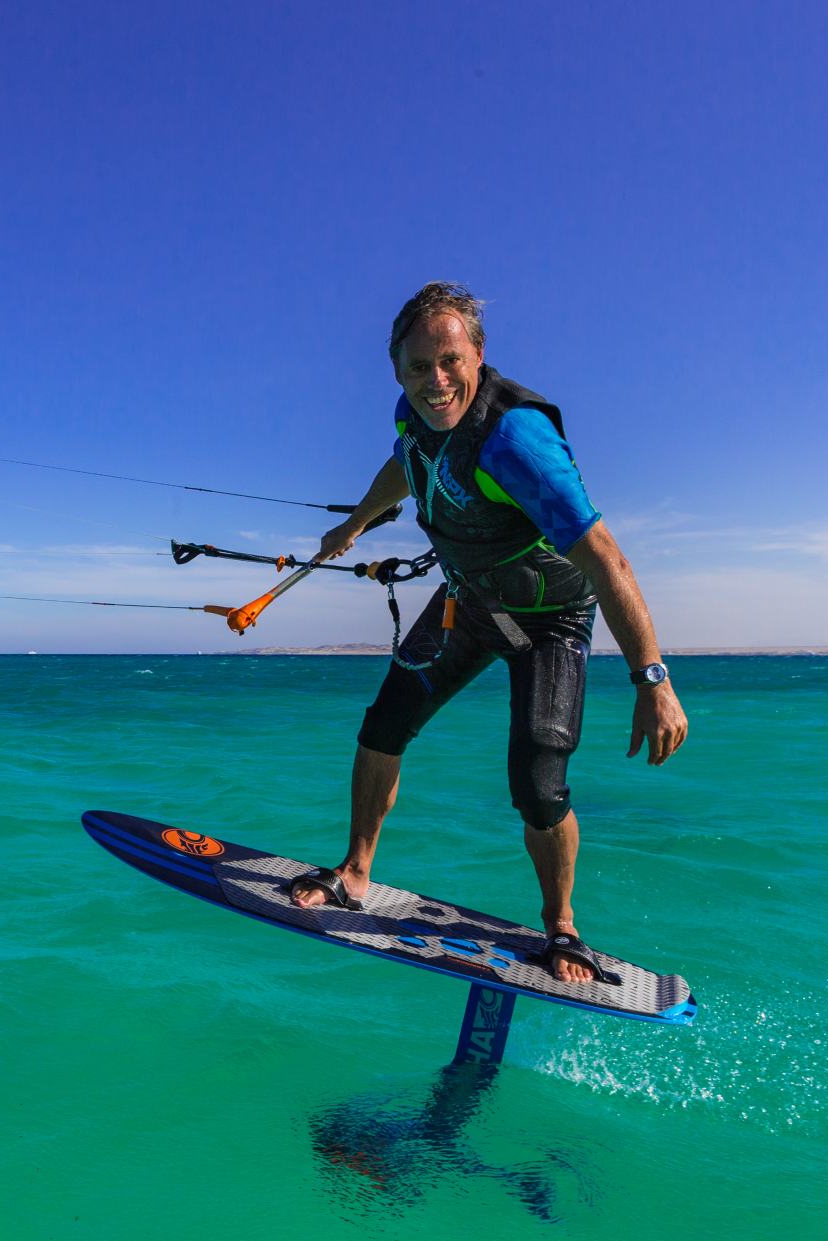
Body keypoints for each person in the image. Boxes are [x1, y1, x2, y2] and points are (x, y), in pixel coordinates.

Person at [289, 282, 688, 985]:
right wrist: (356, 521)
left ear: (478, 354)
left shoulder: (516, 441)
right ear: (396, 371)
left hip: (549, 622)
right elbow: (405, 465)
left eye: (449, 361)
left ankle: (561, 925)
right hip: (467, 603)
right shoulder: (413, 416)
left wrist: (651, 677)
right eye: (417, 368)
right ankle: (355, 869)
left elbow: (606, 558)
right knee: (383, 725)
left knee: (537, 784)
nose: (435, 381)